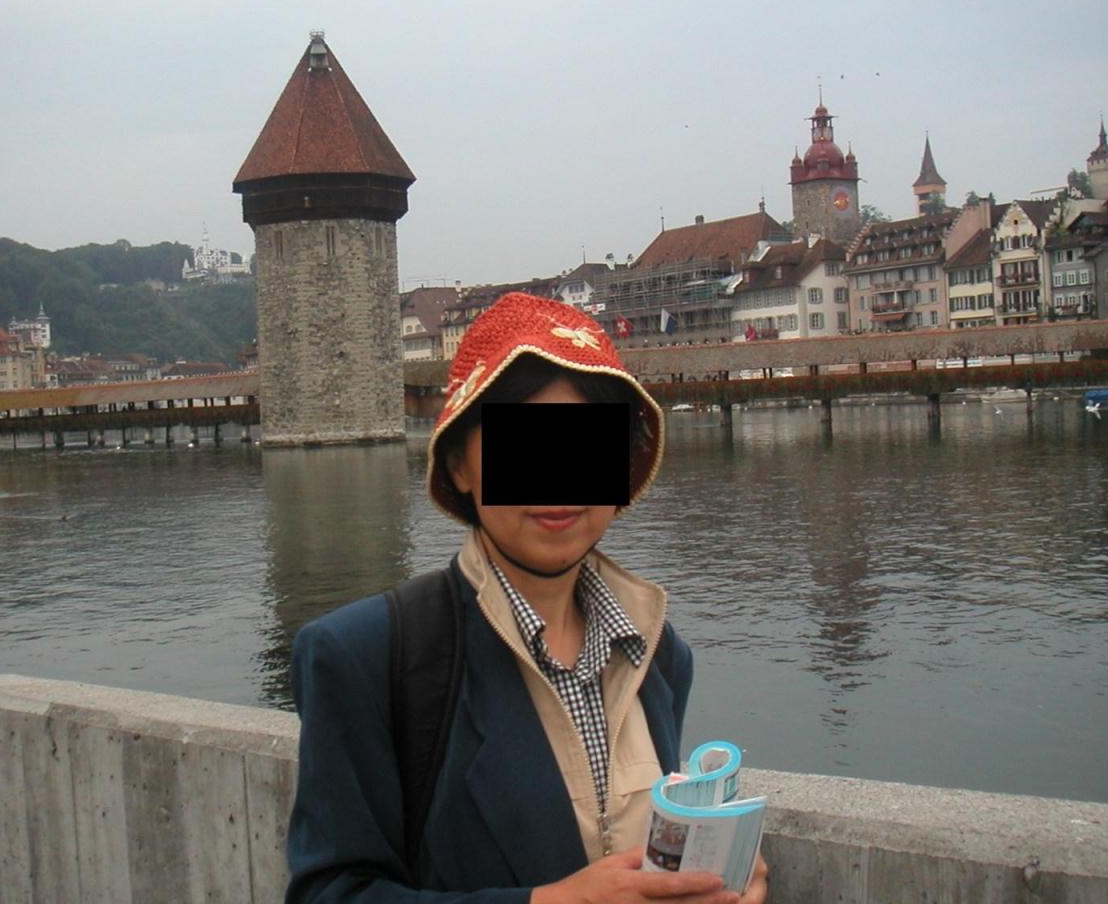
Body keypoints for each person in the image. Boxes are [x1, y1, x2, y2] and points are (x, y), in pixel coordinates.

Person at [285, 293, 769, 903]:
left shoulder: (657, 652)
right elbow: (329, 894)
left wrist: (713, 877)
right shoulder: (367, 656)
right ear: (459, 464)